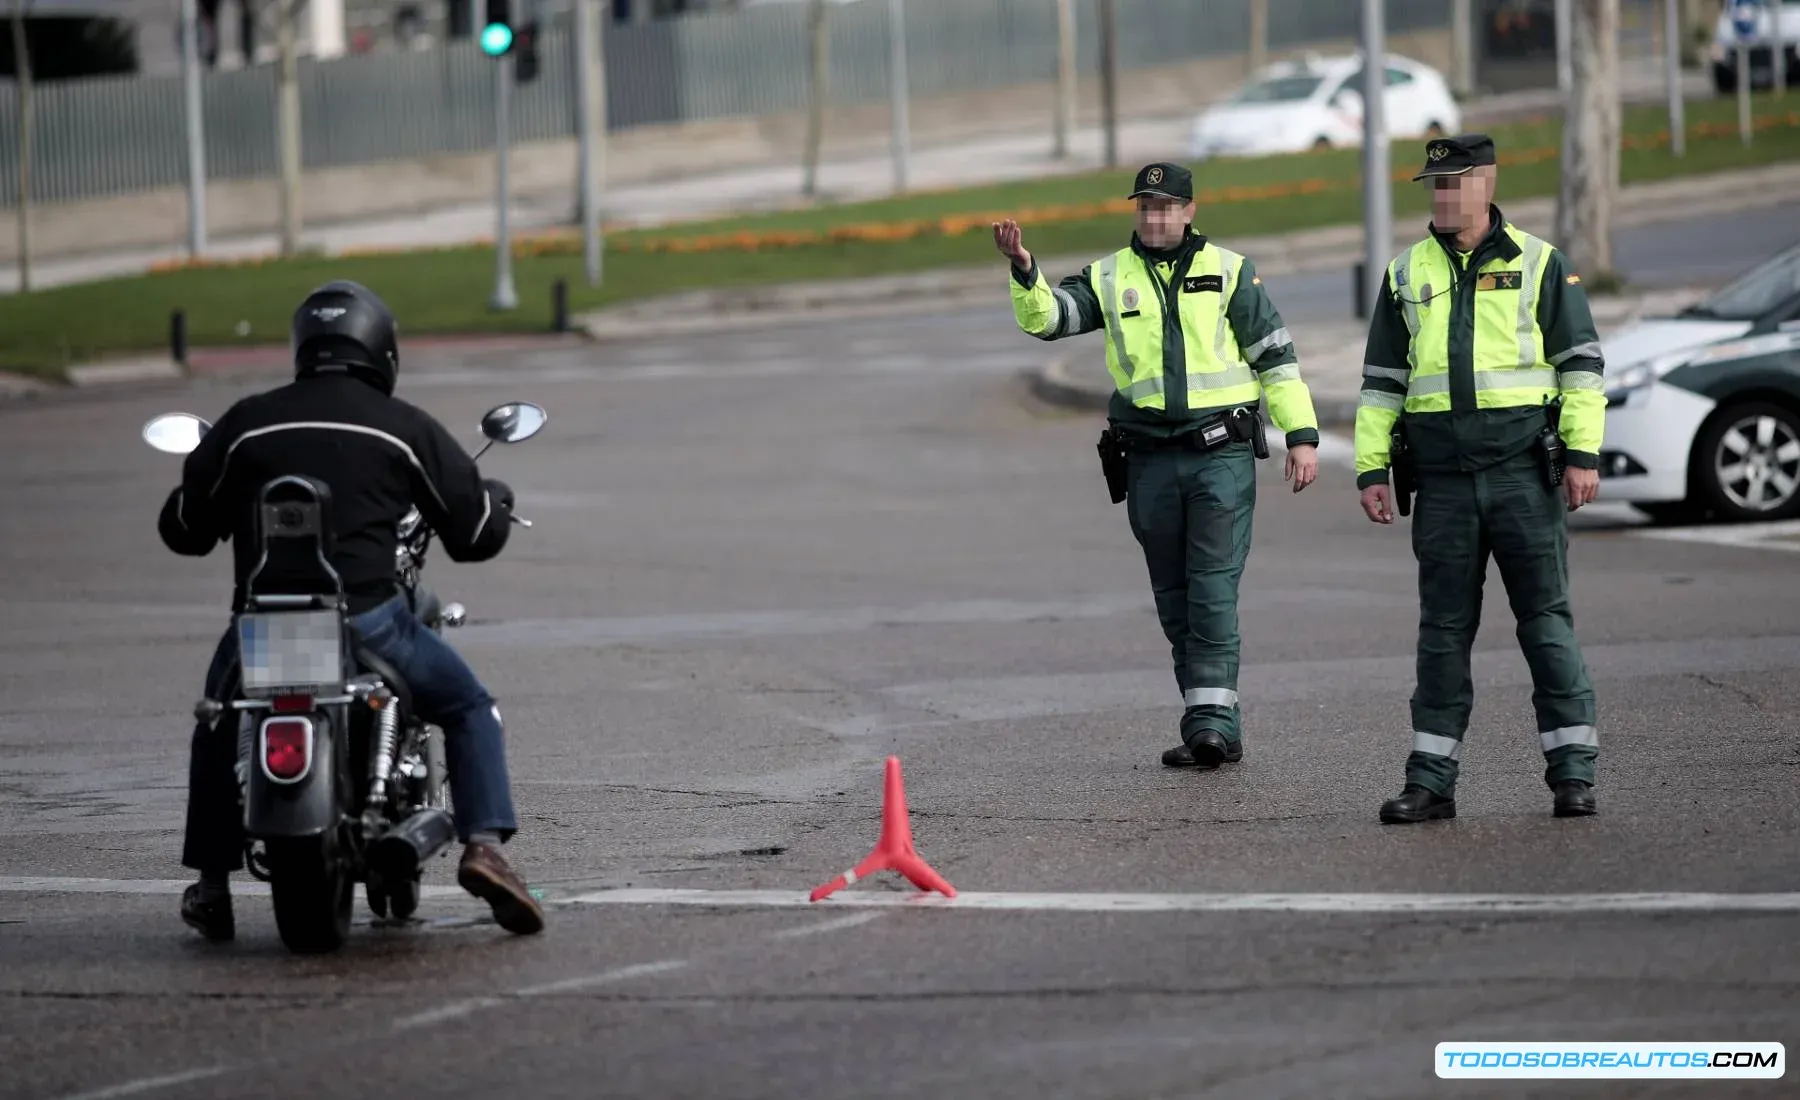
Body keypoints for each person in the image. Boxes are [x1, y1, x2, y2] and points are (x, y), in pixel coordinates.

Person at [158, 280, 546, 939]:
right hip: (370, 621)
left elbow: (185, 530)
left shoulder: (249, 420)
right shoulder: (404, 428)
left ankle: (213, 884)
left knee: (221, 722)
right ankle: (484, 847)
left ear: (303, 348)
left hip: (264, 626)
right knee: (468, 705)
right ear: (381, 351)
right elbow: (475, 534)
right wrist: (497, 502)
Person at [995, 162, 1321, 770]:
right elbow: (1049, 318)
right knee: (1174, 598)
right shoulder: (1110, 274)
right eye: (1146, 206)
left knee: (1213, 591)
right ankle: (1215, 719)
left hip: (1219, 454)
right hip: (1147, 460)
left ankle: (1209, 723)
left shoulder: (1228, 272)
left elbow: (1276, 357)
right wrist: (1024, 271)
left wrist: (1301, 436)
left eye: (1167, 206)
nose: (1156, 216)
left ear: (1190, 211)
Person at [1352, 134, 1605, 824]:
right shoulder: (1406, 273)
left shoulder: (1540, 264)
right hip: (1442, 486)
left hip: (1524, 476)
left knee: (1546, 626)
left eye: (1455, 182)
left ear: (1487, 182)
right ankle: (1431, 781)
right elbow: (1381, 386)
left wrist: (1583, 454)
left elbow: (1581, 367)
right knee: (1442, 634)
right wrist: (1371, 467)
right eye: (1433, 185)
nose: (1442, 196)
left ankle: (1573, 775)